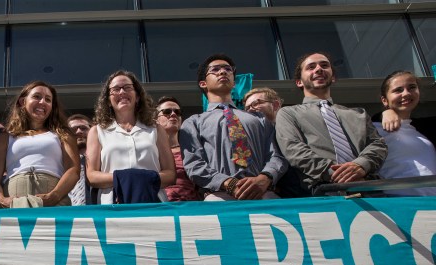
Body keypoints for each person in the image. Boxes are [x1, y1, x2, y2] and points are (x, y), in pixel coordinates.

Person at [275, 52, 387, 196]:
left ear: (333, 77)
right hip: (324, 192)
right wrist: (337, 174)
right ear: (299, 82)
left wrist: (361, 165)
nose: (318, 69)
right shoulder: (288, 113)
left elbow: (378, 145)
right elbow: (294, 150)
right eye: (311, 67)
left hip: (370, 189)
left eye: (324, 65)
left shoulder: (359, 114)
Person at [180, 54, 287, 201]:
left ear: (234, 83)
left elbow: (276, 154)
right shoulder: (194, 122)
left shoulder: (259, 118)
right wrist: (228, 183)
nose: (223, 72)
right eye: (215, 69)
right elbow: (194, 164)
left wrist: (265, 177)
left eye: (228, 69)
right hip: (219, 196)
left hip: (263, 193)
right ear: (203, 83)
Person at [87, 70, 175, 204]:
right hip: (112, 204)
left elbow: (170, 174)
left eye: (127, 88)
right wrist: (126, 178)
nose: (122, 92)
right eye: (115, 89)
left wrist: (140, 179)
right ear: (109, 100)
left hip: (154, 202)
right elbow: (92, 176)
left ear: (138, 96)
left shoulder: (156, 129)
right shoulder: (97, 131)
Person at [0, 81, 79, 208]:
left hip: (55, 202)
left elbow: (73, 170)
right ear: (22, 101)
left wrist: (54, 196)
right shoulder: (5, 137)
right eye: (37, 97)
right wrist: (2, 200)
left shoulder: (63, 134)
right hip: (14, 203)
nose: (42, 102)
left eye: (48, 100)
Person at [372, 71, 436, 196]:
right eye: (398, 90)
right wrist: (384, 113)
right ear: (384, 100)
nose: (406, 93)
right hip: (400, 205)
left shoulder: (424, 130)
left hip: (431, 206)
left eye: (412, 87)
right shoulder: (373, 128)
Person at [155, 96, 197, 201]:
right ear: (156, 119)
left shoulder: (192, 150)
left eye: (177, 112)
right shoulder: (150, 152)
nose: (173, 114)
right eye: (167, 111)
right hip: (158, 207)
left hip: (189, 208)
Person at [67, 113, 93, 205]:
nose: (79, 131)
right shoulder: (61, 162)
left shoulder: (103, 159)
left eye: (83, 128)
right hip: (69, 214)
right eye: (73, 129)